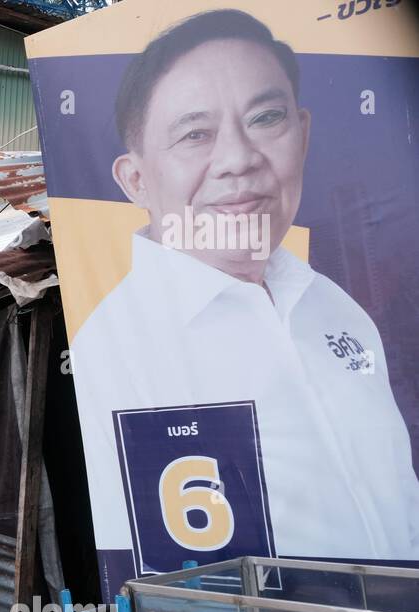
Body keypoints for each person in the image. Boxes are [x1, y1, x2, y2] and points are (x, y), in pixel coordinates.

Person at [71, 9, 419, 570]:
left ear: (302, 136)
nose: (238, 160)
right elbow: (160, 590)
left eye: (266, 118)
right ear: (136, 180)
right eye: (195, 134)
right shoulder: (111, 356)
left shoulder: (339, 312)